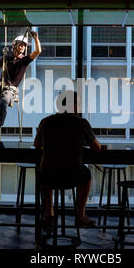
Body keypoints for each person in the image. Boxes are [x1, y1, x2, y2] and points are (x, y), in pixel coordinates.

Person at [34, 91, 102, 229]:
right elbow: (97, 148)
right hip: (73, 176)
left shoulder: (45, 122)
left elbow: (37, 145)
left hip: (49, 176)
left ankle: (49, 215)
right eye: (77, 104)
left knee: (45, 169)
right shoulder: (82, 123)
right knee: (86, 174)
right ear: (74, 106)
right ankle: (80, 216)